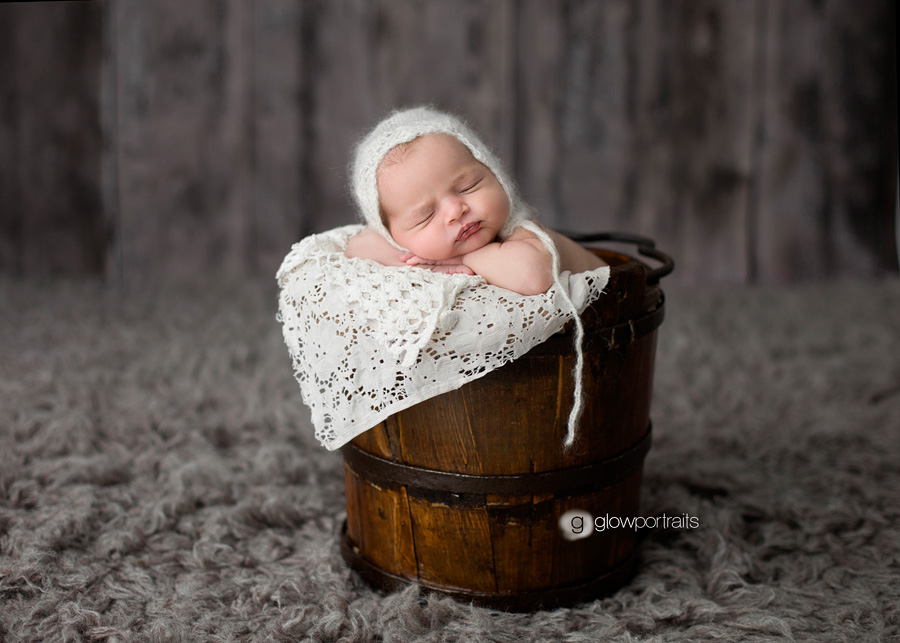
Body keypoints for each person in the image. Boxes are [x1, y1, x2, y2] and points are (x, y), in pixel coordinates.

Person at [344, 108, 606, 296]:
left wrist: (459, 259)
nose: (455, 211)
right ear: (392, 236)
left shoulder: (517, 231)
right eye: (425, 216)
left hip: (619, 301)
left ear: (495, 173)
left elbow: (533, 276)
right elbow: (359, 247)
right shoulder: (394, 240)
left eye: (468, 186)